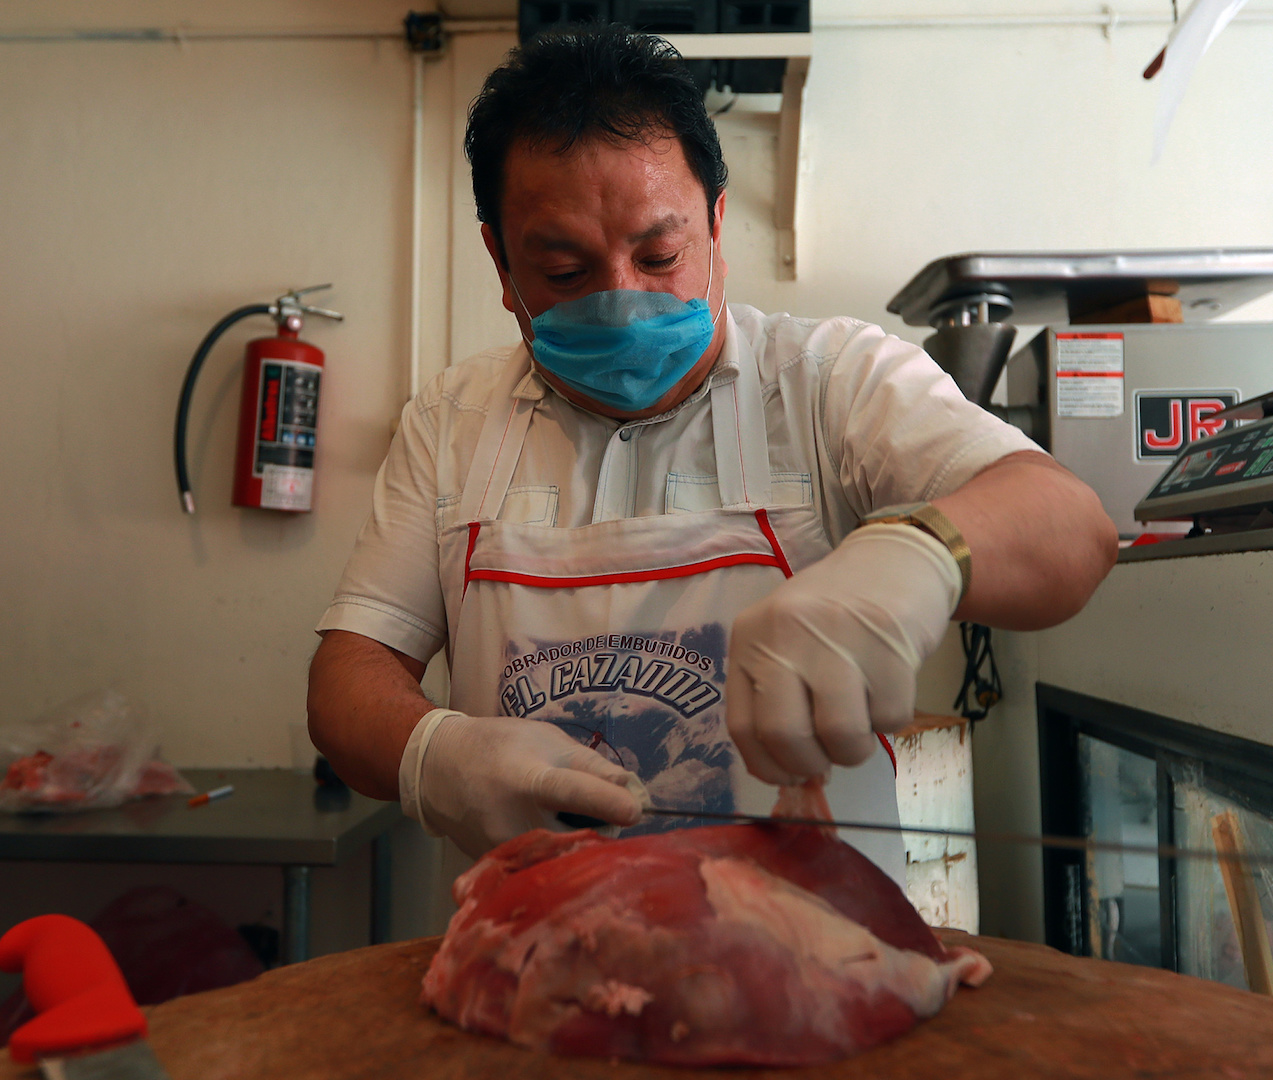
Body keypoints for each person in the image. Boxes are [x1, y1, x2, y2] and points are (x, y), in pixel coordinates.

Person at [306, 25, 1117, 874]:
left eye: (660, 254)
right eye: (565, 270)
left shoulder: (829, 379)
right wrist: (433, 752)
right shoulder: (452, 419)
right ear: (500, 263)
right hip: (545, 957)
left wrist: (923, 557)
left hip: (816, 964)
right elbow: (347, 676)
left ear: (717, 223)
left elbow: (1073, 528)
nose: (624, 298)